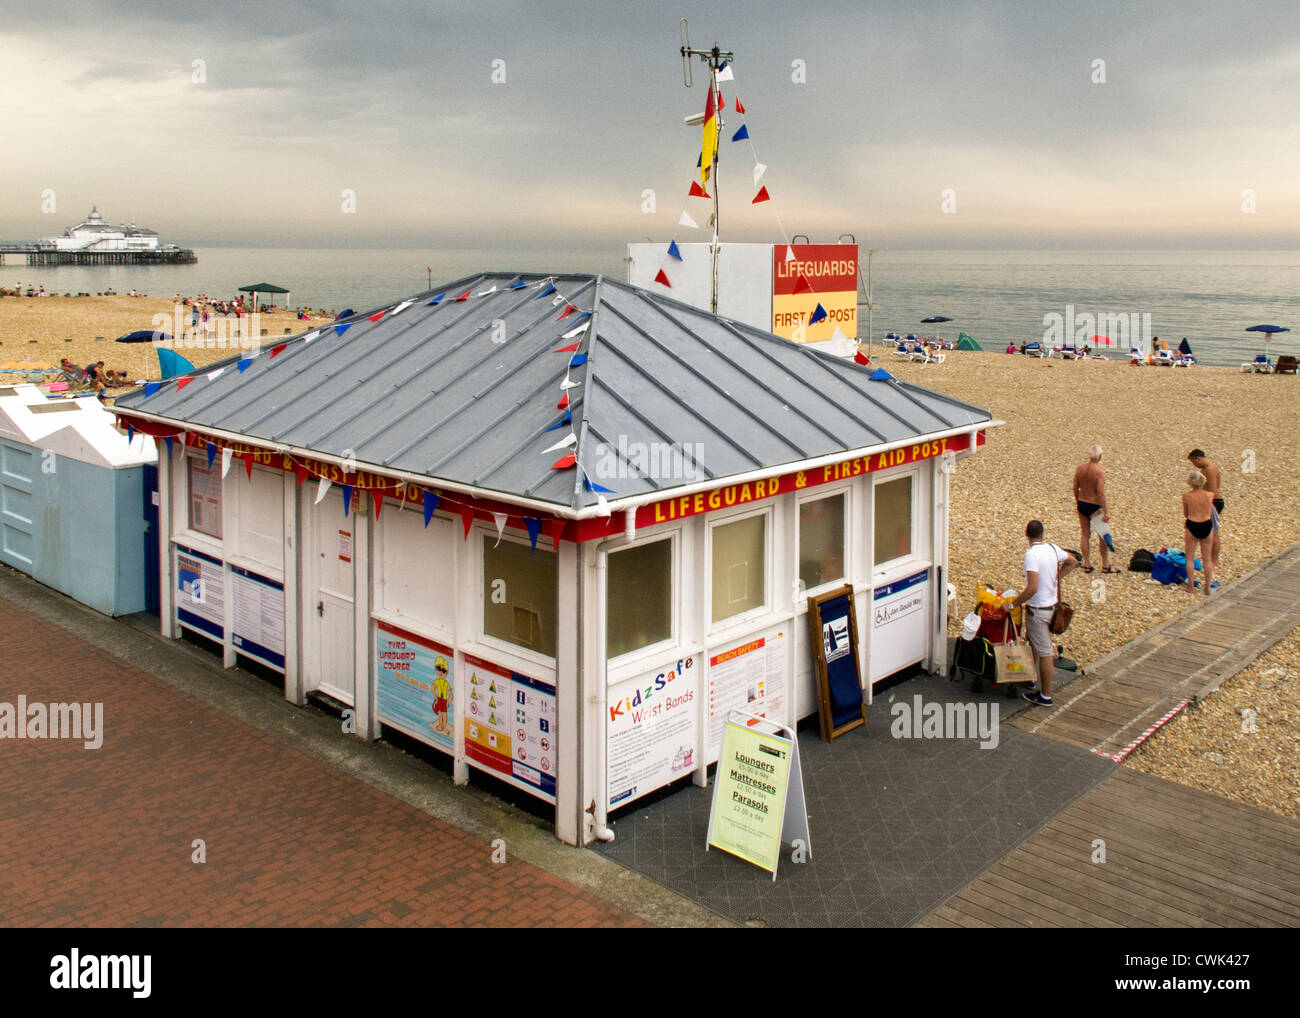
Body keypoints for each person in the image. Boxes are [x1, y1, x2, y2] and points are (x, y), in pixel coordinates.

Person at [1011, 520, 1076, 706]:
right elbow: (1073, 561)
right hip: (1052, 607)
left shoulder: (1031, 555)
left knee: (1045, 651)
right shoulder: (1053, 549)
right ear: (1042, 533)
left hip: (1038, 610)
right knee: (1035, 643)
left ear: (1026, 535)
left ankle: (1046, 695)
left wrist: (1013, 604)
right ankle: (1031, 678)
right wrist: (1057, 577)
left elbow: (1032, 588)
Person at [1073, 444, 1114, 573]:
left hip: (1082, 502)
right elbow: (1100, 493)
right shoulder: (1099, 472)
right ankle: (1105, 565)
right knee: (1102, 534)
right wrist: (1106, 511)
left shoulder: (1080, 469)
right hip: (1094, 505)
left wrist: (1077, 500)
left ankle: (1087, 564)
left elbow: (1075, 487)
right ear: (1100, 456)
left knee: (1085, 534)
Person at [1187, 449, 1222, 568]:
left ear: (1198, 458)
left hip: (1213, 501)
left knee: (1213, 532)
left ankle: (1214, 560)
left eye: (1193, 462)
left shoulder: (1209, 469)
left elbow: (1212, 489)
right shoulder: (1210, 466)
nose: (1194, 465)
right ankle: (1211, 559)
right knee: (1211, 530)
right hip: (1214, 500)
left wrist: (1202, 499)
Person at [1182, 470, 1215, 595]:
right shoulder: (1209, 495)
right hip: (1206, 524)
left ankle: (1190, 586)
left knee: (1189, 558)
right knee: (1207, 559)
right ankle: (1207, 588)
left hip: (1192, 524)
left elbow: (1186, 513)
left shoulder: (1187, 496)